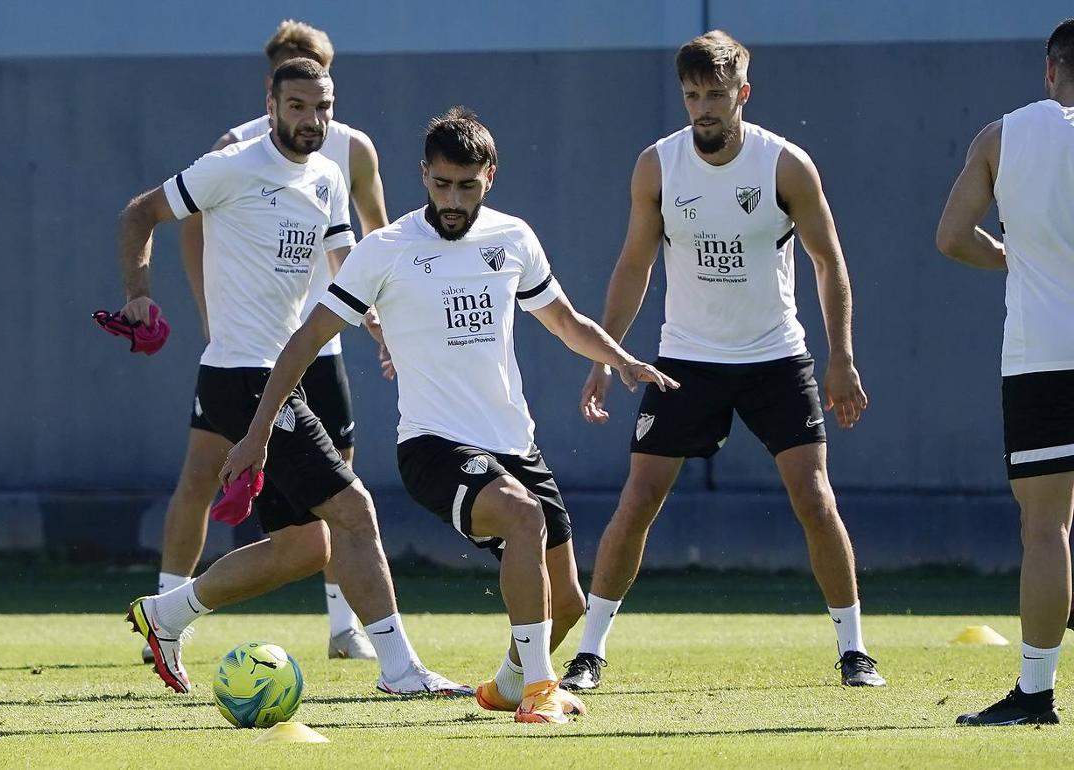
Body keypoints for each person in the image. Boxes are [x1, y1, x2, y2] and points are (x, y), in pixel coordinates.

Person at [220, 107, 679, 724]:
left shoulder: (514, 238)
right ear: (424, 176)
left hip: (514, 445)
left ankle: (507, 686)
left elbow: (566, 322)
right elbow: (305, 341)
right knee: (521, 518)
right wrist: (256, 436)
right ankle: (541, 688)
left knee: (565, 602)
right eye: (441, 184)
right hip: (433, 447)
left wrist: (621, 361)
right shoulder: (386, 249)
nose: (453, 199)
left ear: (490, 174)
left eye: (466, 184)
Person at [121, 58, 469, 698]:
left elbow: (346, 266)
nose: (313, 120)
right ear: (272, 103)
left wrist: (381, 328)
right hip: (241, 374)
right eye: (299, 107)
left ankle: (164, 614)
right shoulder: (231, 165)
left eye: (324, 107)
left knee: (306, 547)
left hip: (289, 373)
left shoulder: (331, 175)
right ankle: (401, 669)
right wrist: (139, 294)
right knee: (353, 508)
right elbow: (138, 215)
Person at [560, 30, 885, 691]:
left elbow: (829, 263)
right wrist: (605, 356)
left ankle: (855, 652)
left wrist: (841, 356)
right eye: (691, 96)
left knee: (814, 498)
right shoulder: (657, 165)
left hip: (776, 356)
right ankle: (590, 654)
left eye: (715, 95)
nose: (703, 108)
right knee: (639, 499)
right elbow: (633, 265)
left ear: (743, 93)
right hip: (686, 359)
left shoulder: (785, 165)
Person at [147, 19, 388, 665]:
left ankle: (345, 628)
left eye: (318, 84)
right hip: (244, 355)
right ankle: (168, 606)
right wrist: (207, 312)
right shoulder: (238, 149)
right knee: (204, 474)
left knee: (329, 508)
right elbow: (182, 223)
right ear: (272, 87)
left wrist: (384, 321)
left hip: (320, 349)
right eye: (292, 74)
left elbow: (374, 241)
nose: (308, 101)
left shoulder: (349, 152)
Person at [936, 18, 1074, 727]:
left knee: (1046, 528)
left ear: (1051, 70)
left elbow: (952, 237)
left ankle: (1035, 694)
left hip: (1044, 356)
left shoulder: (1004, 135)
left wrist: (1014, 258)